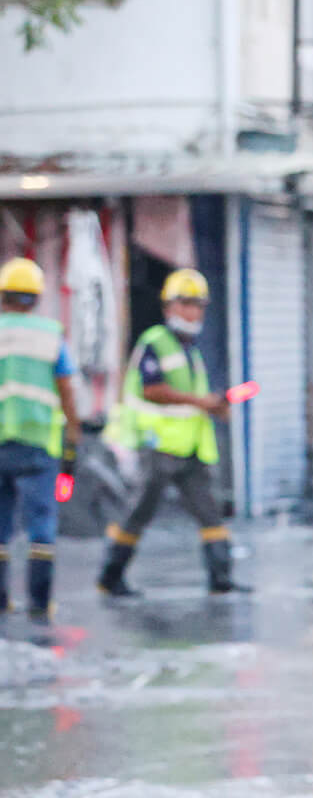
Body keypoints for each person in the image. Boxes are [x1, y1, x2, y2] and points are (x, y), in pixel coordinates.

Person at [98, 268, 247, 597]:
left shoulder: (190, 352)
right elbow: (153, 390)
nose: (193, 312)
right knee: (139, 512)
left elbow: (191, 401)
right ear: (168, 307)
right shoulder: (155, 343)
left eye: (198, 305)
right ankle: (110, 576)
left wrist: (214, 407)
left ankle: (221, 578)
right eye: (186, 303)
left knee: (210, 512)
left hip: (192, 447)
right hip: (159, 445)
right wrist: (200, 402)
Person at [0, 257, 82, 622]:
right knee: (41, 525)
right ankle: (39, 603)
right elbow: (66, 387)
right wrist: (74, 432)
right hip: (38, 444)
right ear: (36, 297)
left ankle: (1, 602)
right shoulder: (50, 334)